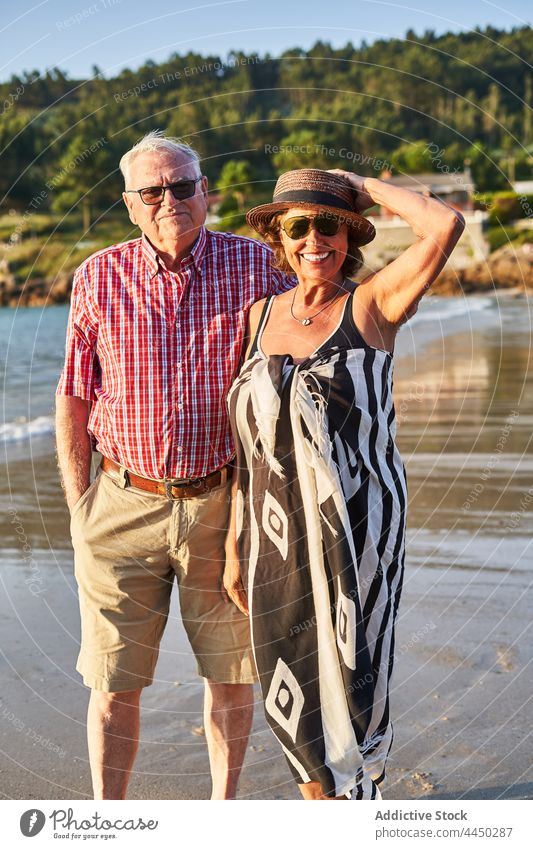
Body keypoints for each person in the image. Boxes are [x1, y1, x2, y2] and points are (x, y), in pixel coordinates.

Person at [55, 131, 293, 800]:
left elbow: (297, 370)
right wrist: (81, 507)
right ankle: (109, 818)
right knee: (112, 684)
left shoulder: (256, 267)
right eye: (152, 191)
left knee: (232, 675)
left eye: (182, 186)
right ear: (129, 204)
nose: (170, 200)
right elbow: (75, 395)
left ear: (205, 193)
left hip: (226, 503)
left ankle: (223, 812)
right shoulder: (97, 275)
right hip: (120, 505)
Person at [224, 168, 465, 800]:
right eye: (298, 225)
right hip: (274, 539)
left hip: (360, 531)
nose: (314, 240)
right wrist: (234, 541)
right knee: (291, 684)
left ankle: (354, 811)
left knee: (355, 686)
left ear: (350, 235)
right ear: (279, 236)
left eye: (329, 224)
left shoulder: (373, 304)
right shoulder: (257, 318)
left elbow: (444, 224)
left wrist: (362, 185)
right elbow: (250, 448)